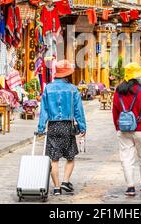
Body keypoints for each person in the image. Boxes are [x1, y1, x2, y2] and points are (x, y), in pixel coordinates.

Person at [37, 60, 86, 196]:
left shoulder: (48, 88)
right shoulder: (72, 89)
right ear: (68, 75)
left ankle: (57, 187)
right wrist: (82, 127)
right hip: (67, 127)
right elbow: (78, 111)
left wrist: (41, 128)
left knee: (54, 159)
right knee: (70, 157)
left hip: (53, 126)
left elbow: (44, 111)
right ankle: (65, 181)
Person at [112, 62, 141, 197]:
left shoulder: (118, 91)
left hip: (123, 129)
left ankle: (130, 187)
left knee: (126, 158)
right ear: (137, 76)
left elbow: (115, 112)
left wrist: (118, 127)